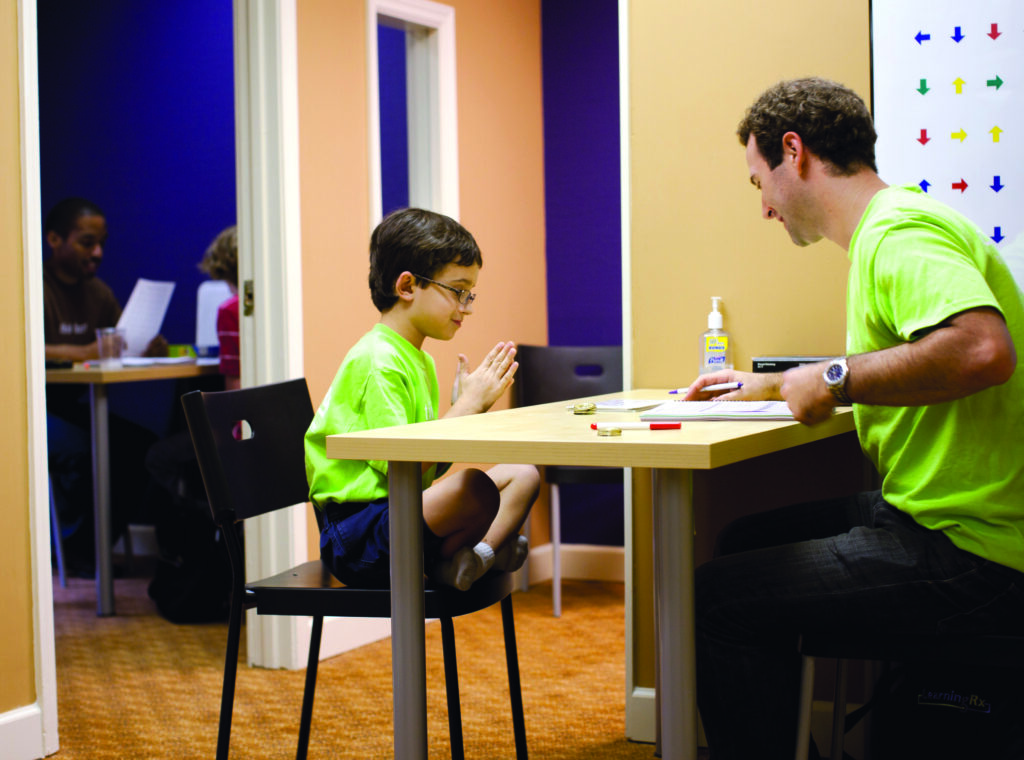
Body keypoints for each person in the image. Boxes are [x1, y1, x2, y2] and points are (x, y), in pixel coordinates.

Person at [683, 78, 1024, 758]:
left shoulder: (896, 231)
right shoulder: (893, 229)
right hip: (939, 515)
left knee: (718, 599)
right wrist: (772, 385)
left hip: (975, 552)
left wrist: (835, 379)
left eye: (760, 185)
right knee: (743, 540)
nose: (766, 211)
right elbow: (914, 352)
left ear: (794, 151)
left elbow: (983, 349)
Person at [304, 207, 540, 591]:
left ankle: (470, 559)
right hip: (357, 536)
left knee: (523, 474)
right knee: (474, 489)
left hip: (399, 512)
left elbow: (430, 467)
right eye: (457, 291)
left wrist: (467, 410)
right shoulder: (378, 360)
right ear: (408, 286)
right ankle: (476, 556)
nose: (466, 306)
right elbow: (406, 467)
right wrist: (465, 408)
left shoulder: (420, 360)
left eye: (470, 293)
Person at [43, 197, 164, 573]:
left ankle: (92, 548)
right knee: (85, 450)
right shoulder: (31, 288)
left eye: (102, 243)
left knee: (142, 447)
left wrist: (145, 347)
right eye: (85, 242)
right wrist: (84, 350)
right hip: (31, 409)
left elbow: (117, 342)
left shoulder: (98, 293)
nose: (97, 253)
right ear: (54, 239)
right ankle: (68, 550)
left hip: (72, 405)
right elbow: (23, 346)